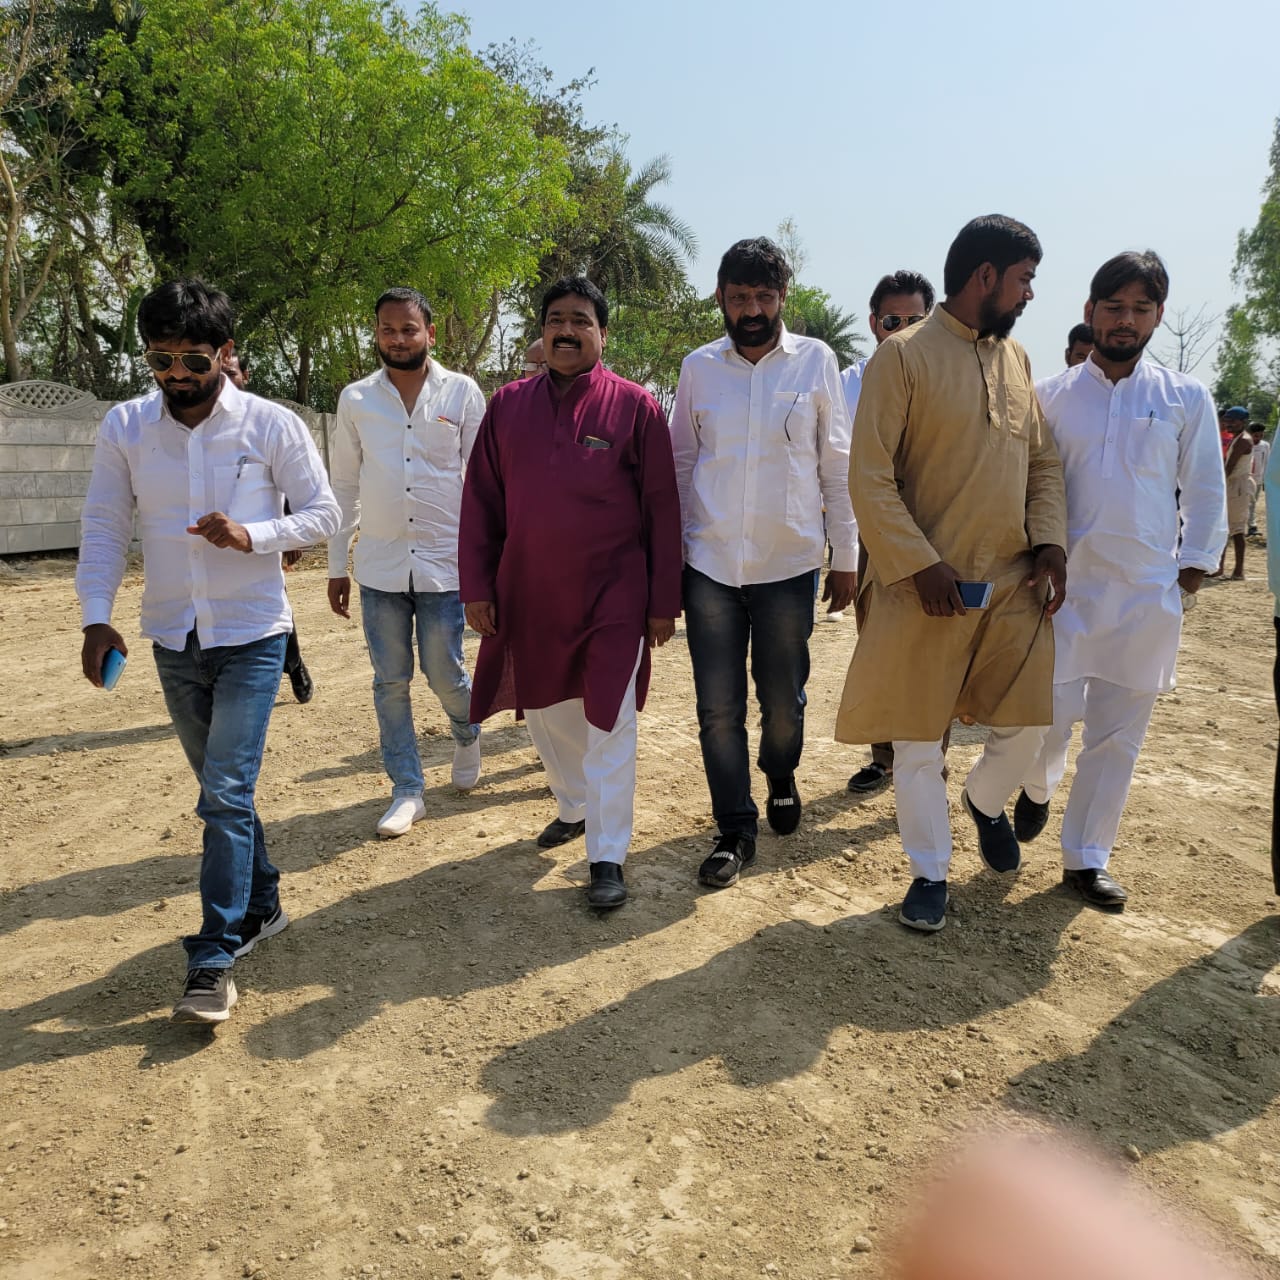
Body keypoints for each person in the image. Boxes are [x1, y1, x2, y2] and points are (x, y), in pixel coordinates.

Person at [76, 279, 340, 1023]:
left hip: (254, 634)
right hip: (171, 637)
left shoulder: (271, 424)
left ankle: (213, 956)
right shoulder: (126, 428)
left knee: (222, 794)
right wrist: (97, 617)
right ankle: (263, 902)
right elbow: (102, 526)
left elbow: (324, 512)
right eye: (160, 360)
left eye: (193, 357)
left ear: (226, 353)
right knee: (229, 795)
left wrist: (253, 535)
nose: (177, 375)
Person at [835, 214, 1067, 932]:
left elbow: (1042, 464)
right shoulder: (901, 357)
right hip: (922, 591)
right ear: (986, 277)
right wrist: (918, 564)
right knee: (913, 741)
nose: (1030, 293)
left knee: (1025, 727)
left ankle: (987, 801)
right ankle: (929, 871)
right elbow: (869, 479)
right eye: (1024, 279)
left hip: (1012, 586)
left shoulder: (1017, 362)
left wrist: (1051, 544)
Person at [1011, 251, 1227, 909]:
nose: (1125, 321)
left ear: (1157, 315)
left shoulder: (1184, 397)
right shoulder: (1048, 396)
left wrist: (1188, 573)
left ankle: (1086, 859)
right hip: (1062, 596)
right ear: (1090, 312)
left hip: (1143, 597)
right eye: (1114, 307)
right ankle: (1038, 786)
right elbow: (1025, 489)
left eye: (1139, 309)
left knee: (1116, 738)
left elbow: (1205, 489)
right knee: (1046, 721)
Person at [459, 276, 682, 909]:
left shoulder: (635, 406)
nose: (566, 329)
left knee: (609, 718)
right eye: (556, 318)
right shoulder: (507, 406)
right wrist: (477, 585)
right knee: (547, 710)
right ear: (540, 332)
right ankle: (574, 803)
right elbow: (480, 501)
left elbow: (663, 509)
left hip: (615, 594)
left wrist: (662, 601)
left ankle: (607, 855)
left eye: (581, 320)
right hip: (528, 592)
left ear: (602, 334)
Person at [670, 237, 857, 889]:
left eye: (764, 296)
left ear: (784, 298)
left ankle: (780, 770)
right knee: (717, 709)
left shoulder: (815, 363)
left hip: (788, 565)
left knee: (782, 701)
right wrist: (673, 557)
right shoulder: (699, 368)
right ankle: (734, 828)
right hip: (711, 566)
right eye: (739, 295)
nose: (751, 308)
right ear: (721, 297)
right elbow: (681, 464)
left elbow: (836, 464)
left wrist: (847, 555)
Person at [327, 287, 487, 838]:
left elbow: (485, 483)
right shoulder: (356, 400)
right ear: (377, 334)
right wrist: (335, 563)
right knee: (390, 681)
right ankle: (407, 789)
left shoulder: (462, 393)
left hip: (446, 562)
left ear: (430, 334)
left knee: (443, 670)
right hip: (380, 566)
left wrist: (489, 564)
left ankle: (468, 734)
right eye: (388, 330)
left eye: (408, 329)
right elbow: (344, 484)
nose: (398, 339)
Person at [842, 269, 936, 796]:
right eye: (891, 320)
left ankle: (929, 756)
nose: (901, 329)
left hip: (936, 529)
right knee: (876, 645)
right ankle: (883, 758)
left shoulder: (951, 377)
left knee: (935, 648)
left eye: (914, 319)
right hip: (870, 534)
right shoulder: (850, 381)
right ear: (874, 322)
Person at [225, 349, 314, 704]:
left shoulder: (268, 423)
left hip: (264, 537)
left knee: (274, 603)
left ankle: (293, 664)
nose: (224, 382)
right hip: (213, 541)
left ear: (245, 376)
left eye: (231, 374)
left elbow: (292, 483)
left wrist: (290, 533)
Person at [1217, 407, 1253, 579]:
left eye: (1232, 421)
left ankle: (1238, 570)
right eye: (1227, 420)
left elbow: (1229, 467)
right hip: (1232, 485)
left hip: (1237, 487)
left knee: (1237, 529)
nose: (1228, 424)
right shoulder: (1236, 439)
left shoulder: (1243, 441)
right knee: (1225, 527)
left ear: (1243, 422)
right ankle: (1220, 567)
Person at [1248, 421, 1269, 534]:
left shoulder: (1265, 445)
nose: (1259, 438)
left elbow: (1266, 462)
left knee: (1253, 503)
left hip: (1258, 480)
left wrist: (1266, 480)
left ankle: (1252, 526)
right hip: (1246, 479)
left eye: (1261, 435)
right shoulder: (1245, 444)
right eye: (1256, 435)